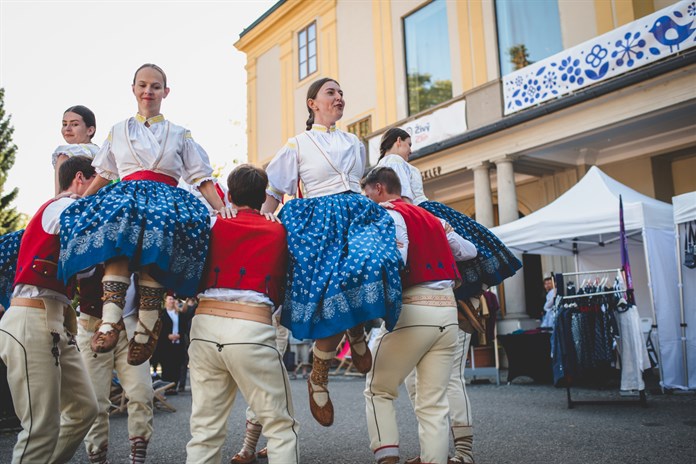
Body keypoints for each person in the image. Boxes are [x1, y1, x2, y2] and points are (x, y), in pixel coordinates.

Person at [58, 63, 231, 367]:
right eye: (142, 85)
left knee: (155, 248)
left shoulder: (180, 133)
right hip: (127, 195)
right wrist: (82, 200)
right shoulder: (119, 129)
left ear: (166, 91)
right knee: (117, 242)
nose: (148, 91)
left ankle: (148, 322)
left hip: (164, 198)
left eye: (155, 86)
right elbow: (103, 172)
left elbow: (201, 176)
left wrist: (220, 207)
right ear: (134, 89)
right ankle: (110, 320)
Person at [261, 77, 402, 427]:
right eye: (331, 93)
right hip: (318, 219)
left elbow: (358, 183)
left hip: (356, 211)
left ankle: (353, 333)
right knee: (331, 290)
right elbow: (275, 191)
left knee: (378, 259)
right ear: (312, 103)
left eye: (341, 93)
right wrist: (261, 224)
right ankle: (319, 374)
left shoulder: (355, 143)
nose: (339, 97)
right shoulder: (297, 144)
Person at [361, 166, 477, 464]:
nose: (367, 199)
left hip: (414, 309)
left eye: (367, 193)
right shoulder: (433, 218)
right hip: (448, 312)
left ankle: (387, 456)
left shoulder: (388, 214)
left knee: (378, 389)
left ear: (379, 188)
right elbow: (469, 251)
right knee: (434, 403)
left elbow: (396, 259)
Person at [187, 164, 299, 464]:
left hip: (205, 324)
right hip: (252, 326)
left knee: (204, 429)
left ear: (230, 193)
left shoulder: (211, 223)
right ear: (264, 196)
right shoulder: (278, 229)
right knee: (279, 426)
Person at [0, 156, 99, 463]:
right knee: (40, 428)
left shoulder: (78, 218)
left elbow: (85, 270)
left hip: (58, 322)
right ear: (81, 179)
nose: (103, 196)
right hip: (31, 317)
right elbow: (76, 220)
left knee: (85, 409)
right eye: (101, 184)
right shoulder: (59, 207)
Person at [377, 127, 521, 299]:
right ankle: (474, 287)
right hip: (421, 209)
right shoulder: (394, 160)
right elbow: (405, 198)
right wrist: (428, 220)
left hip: (411, 212)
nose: (411, 150)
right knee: (476, 239)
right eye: (409, 144)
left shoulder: (380, 166)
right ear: (398, 141)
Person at [76, 273, 155, 464]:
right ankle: (98, 458)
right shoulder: (93, 244)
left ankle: (138, 458)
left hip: (132, 326)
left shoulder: (142, 249)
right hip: (93, 324)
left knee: (141, 393)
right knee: (95, 401)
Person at [404, 328, 475, 464]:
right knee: (412, 378)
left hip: (457, 314)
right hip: (418, 316)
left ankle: (464, 453)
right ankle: (432, 451)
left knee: (452, 377)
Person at [53, 105, 100, 195]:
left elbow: (59, 193)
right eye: (64, 124)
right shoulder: (101, 152)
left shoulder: (66, 153)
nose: (67, 129)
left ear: (90, 130)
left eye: (74, 124)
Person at [157, 294, 189, 394]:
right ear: (165, 301)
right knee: (167, 365)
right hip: (166, 343)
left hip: (178, 342)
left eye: (173, 299)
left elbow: (183, 326)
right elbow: (159, 329)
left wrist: (179, 335)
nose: (171, 301)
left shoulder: (178, 314)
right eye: (170, 299)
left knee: (177, 364)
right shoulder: (162, 314)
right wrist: (167, 335)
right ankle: (166, 386)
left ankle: (174, 385)